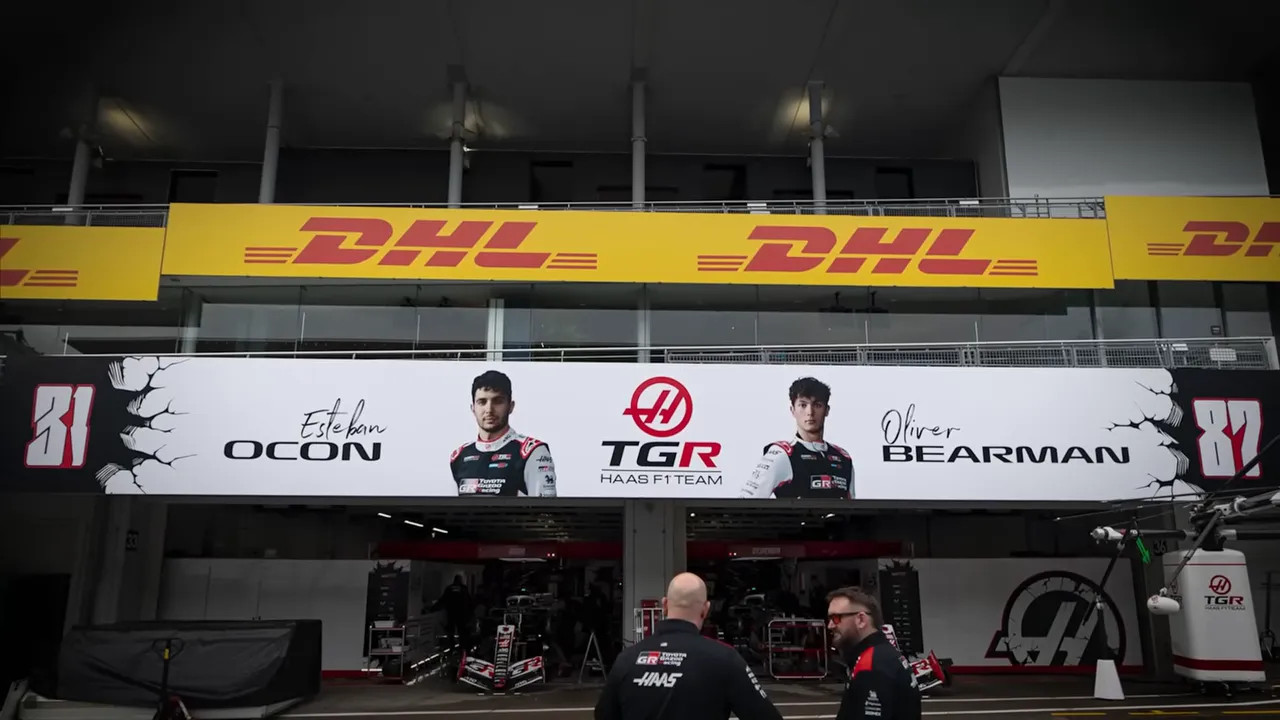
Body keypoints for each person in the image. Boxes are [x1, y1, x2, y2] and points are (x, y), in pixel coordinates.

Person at [594, 572, 782, 720]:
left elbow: (603, 714)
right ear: (705, 609)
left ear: (665, 605)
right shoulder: (724, 659)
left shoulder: (627, 659)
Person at [740, 376, 855, 499]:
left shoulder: (843, 458)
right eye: (803, 405)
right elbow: (746, 502)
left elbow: (852, 509)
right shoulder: (782, 454)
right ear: (792, 410)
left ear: (827, 410)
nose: (810, 412)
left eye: (817, 405)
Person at [450, 369, 557, 497]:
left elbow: (545, 512)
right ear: (473, 408)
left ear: (510, 406)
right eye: (482, 402)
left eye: (498, 401)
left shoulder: (532, 451)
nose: (489, 409)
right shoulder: (458, 456)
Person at [826, 586, 921, 720]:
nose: (830, 625)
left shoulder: (872, 664)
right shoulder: (884, 653)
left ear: (861, 620)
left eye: (836, 618)